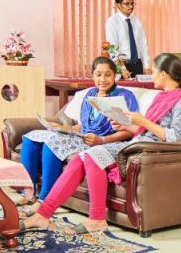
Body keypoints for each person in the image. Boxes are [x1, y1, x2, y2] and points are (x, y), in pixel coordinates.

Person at [24, 53, 181, 234]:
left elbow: (175, 137)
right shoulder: (162, 97)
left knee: (92, 155)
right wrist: (128, 126)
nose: (151, 75)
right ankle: (43, 214)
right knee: (79, 159)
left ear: (163, 74)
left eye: (153, 71)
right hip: (141, 140)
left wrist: (143, 122)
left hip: (151, 149)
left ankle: (97, 219)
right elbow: (146, 130)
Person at [19, 56, 138, 203]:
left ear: (115, 76)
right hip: (83, 137)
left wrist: (101, 140)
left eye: (108, 75)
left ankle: (44, 199)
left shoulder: (124, 96)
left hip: (105, 142)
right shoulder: (90, 94)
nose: (102, 79)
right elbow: (85, 125)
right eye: (98, 74)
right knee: (30, 138)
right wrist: (65, 128)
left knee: (53, 142)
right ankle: (27, 193)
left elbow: (129, 130)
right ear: (92, 75)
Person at [104, 0, 149, 78]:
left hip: (137, 64)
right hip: (122, 65)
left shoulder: (136, 21)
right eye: (127, 4)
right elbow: (112, 48)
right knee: (121, 87)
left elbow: (143, 44)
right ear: (118, 5)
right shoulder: (112, 22)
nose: (131, 6)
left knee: (139, 87)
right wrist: (122, 68)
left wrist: (146, 66)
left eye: (132, 3)